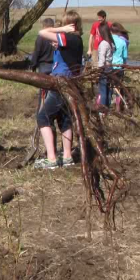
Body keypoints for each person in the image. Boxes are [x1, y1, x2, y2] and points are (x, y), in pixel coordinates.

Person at [34, 10, 83, 170]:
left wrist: (60, 31)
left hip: (60, 84)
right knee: (64, 119)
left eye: (63, 24)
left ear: (69, 25)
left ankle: (52, 159)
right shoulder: (77, 40)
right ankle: (67, 156)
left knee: (43, 118)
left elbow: (42, 32)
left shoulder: (69, 37)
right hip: (71, 84)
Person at [109, 22, 130, 111]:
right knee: (118, 87)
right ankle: (118, 107)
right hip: (119, 67)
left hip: (109, 67)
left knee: (108, 87)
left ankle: (106, 105)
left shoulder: (107, 41)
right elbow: (124, 56)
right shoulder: (123, 42)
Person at [94, 21, 115, 107]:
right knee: (108, 89)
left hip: (104, 69)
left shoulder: (103, 44)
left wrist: (99, 69)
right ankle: (108, 106)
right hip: (110, 68)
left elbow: (102, 58)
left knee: (103, 89)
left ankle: (103, 108)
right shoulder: (111, 43)